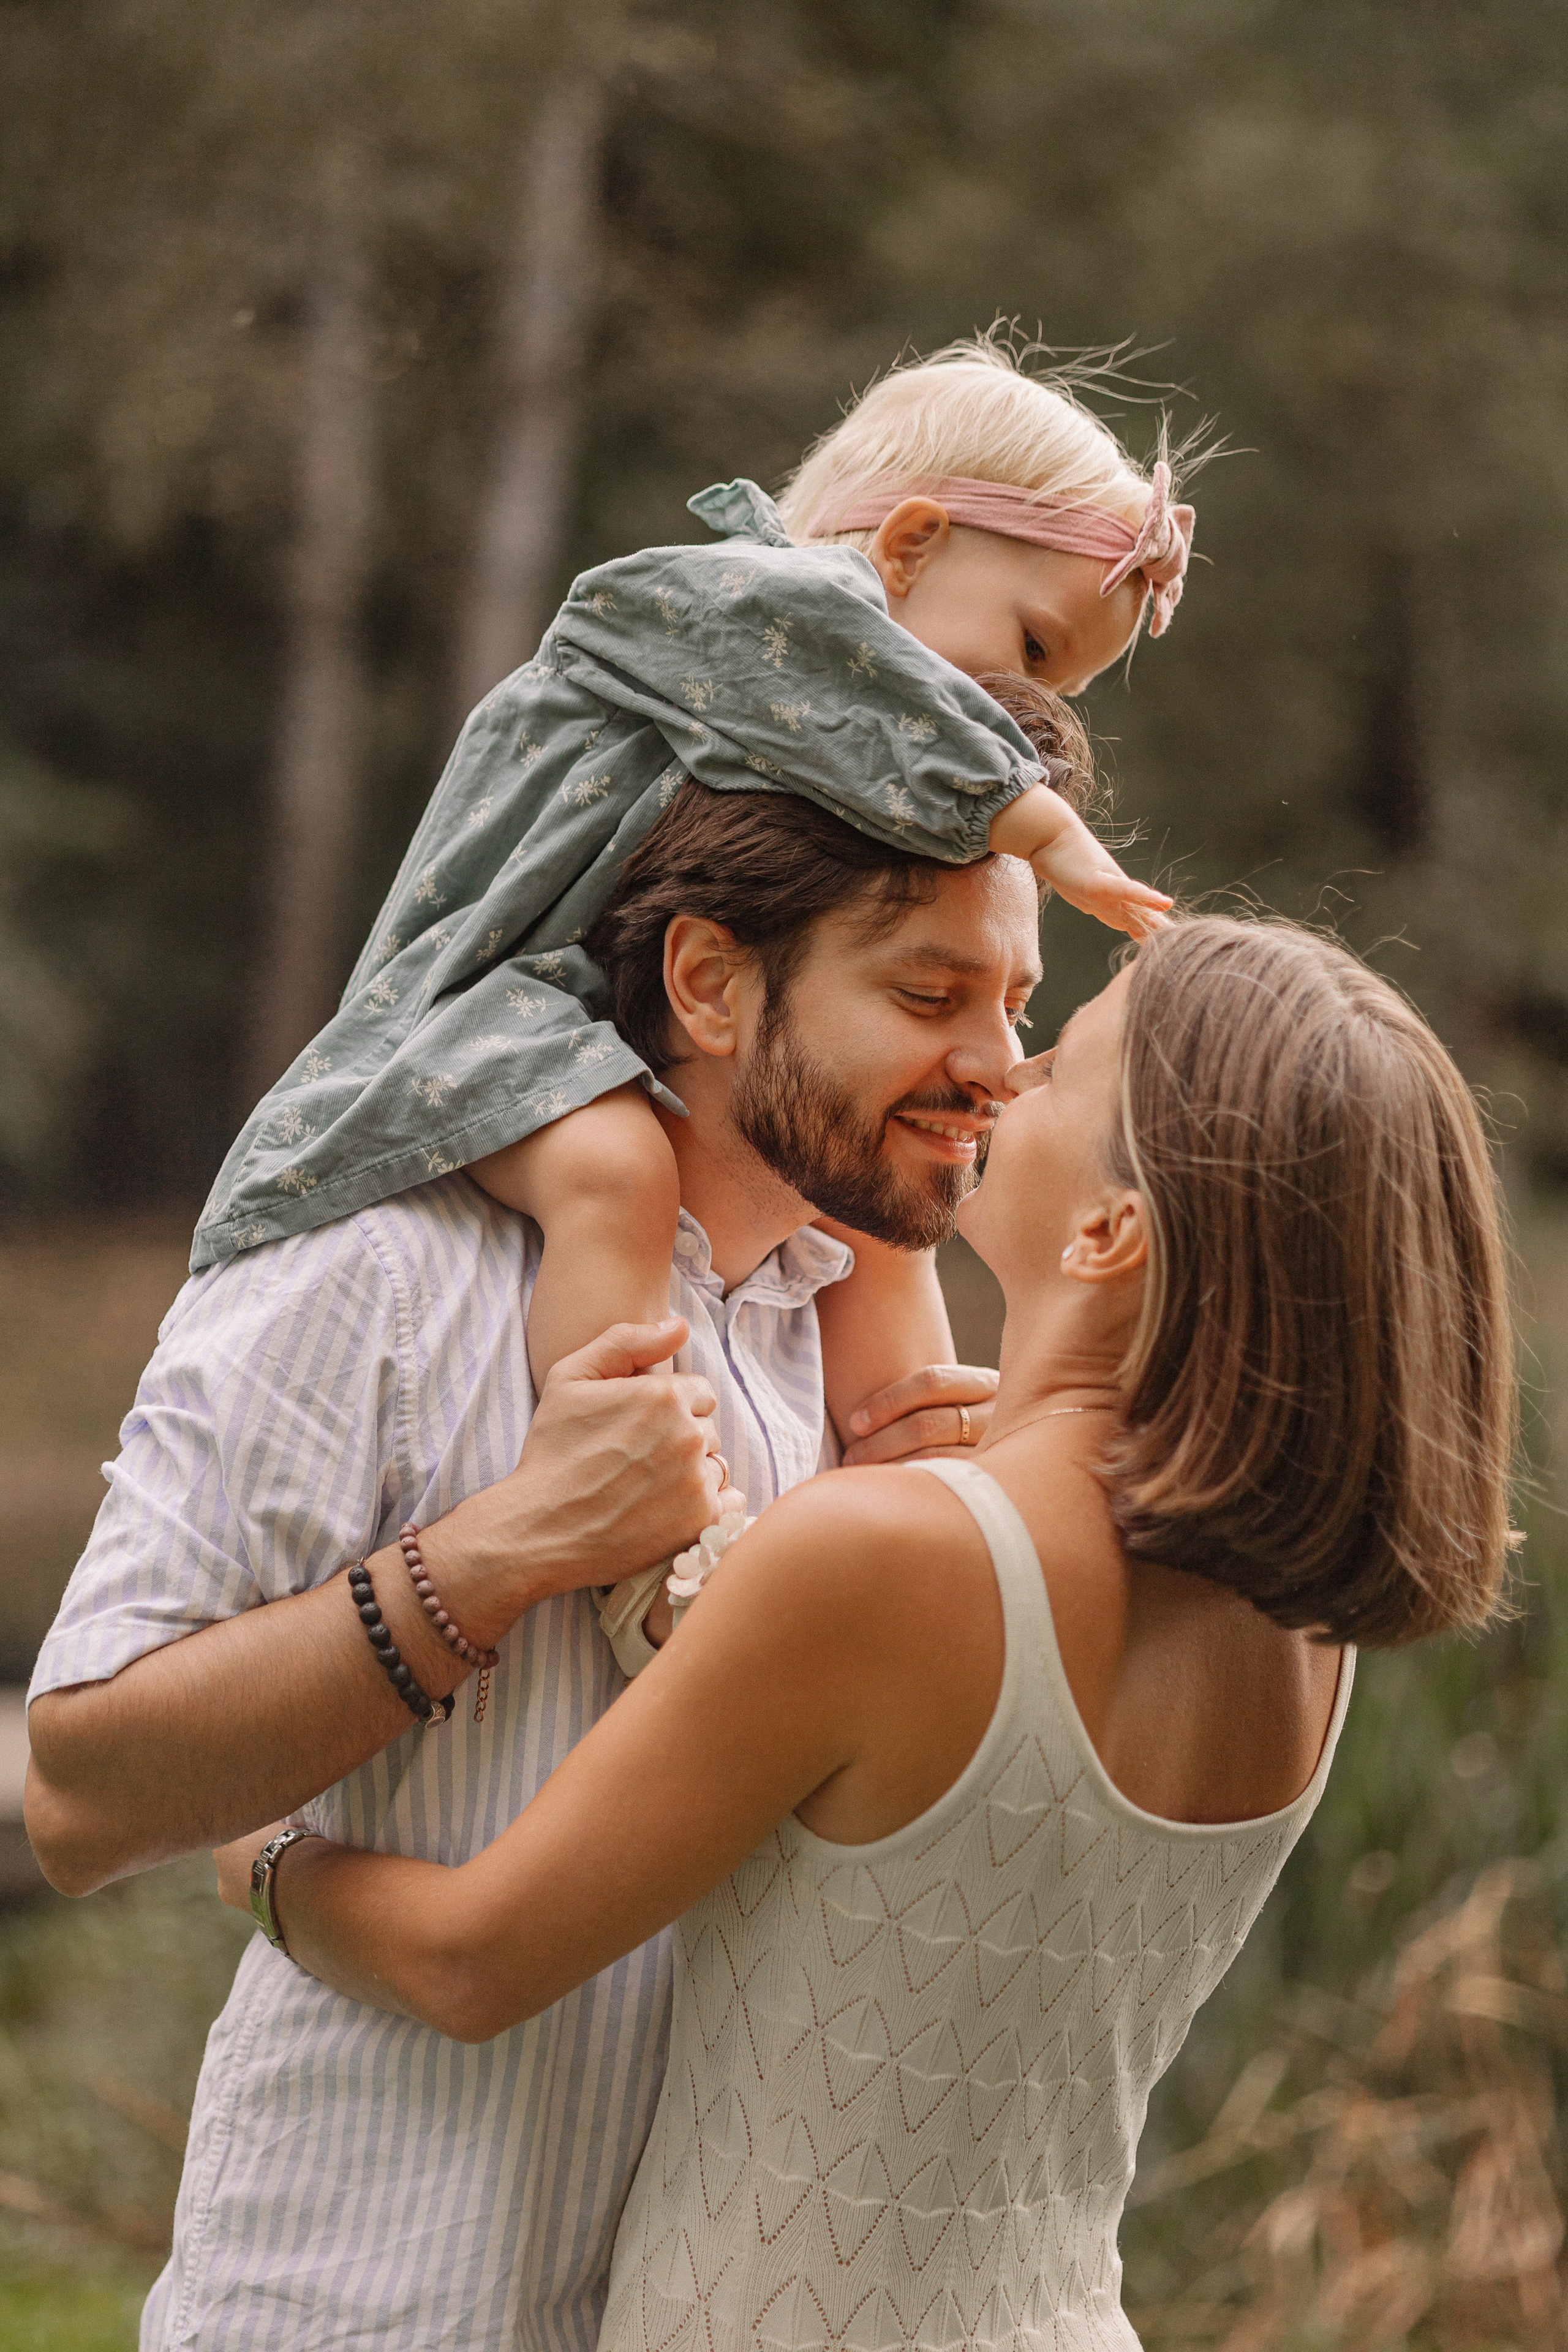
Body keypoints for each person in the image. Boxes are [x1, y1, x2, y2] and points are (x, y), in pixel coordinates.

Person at [217, 916, 1516, 2352]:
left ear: (1107, 1232)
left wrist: (262, 1851)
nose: (999, 1078)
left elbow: (470, 1964)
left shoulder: (890, 1562)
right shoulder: (1298, 1633)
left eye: (1059, 1058)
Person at [24, 778, 1050, 2352]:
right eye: (927, 995)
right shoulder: (371, 1270)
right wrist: (501, 1556)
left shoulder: (858, 1359)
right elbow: (81, 1802)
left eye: (1014, 1002)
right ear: (707, 982)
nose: (993, 1063)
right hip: (370, 2310)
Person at [191, 339, 1188, 1573]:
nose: (1015, 717)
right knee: (610, 1169)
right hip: (480, 1011)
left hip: (581, 1024)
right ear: (909, 546)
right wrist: (1045, 832)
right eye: (1030, 652)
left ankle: (923, 1519)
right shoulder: (725, 606)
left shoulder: (845, 735)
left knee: (882, 1211)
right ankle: (640, 1527)